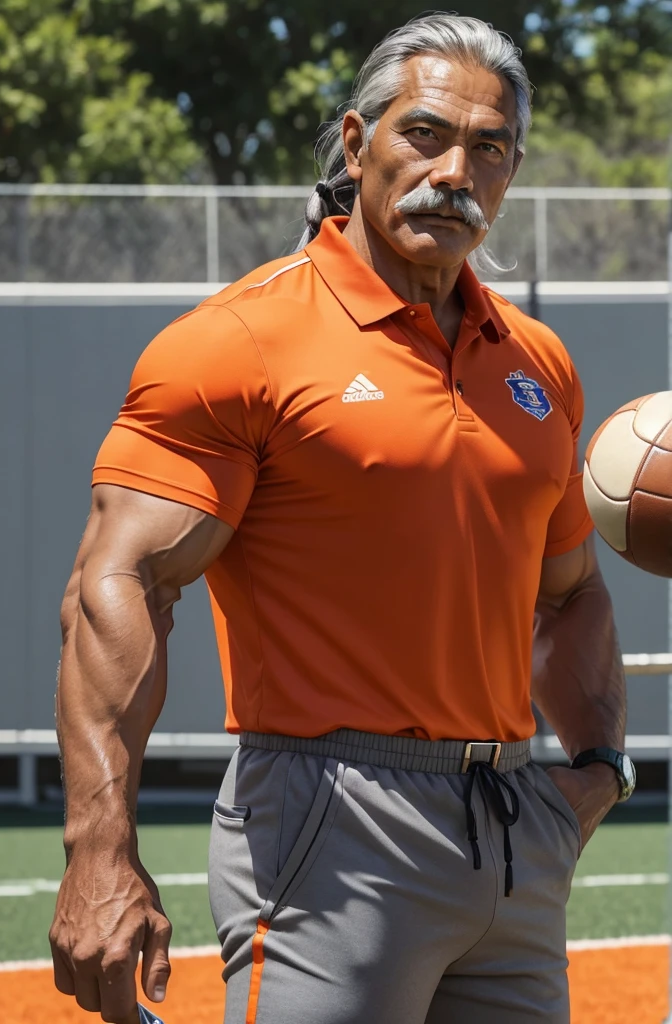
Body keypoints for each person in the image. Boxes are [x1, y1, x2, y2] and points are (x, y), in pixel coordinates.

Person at [50, 12, 634, 1024]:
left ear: (509, 172)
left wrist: (592, 771)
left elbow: (570, 590)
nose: (454, 170)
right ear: (357, 144)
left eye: (487, 149)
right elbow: (122, 581)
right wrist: (99, 849)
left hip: (511, 831)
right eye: (424, 134)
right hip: (331, 823)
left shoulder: (537, 364)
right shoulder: (239, 340)